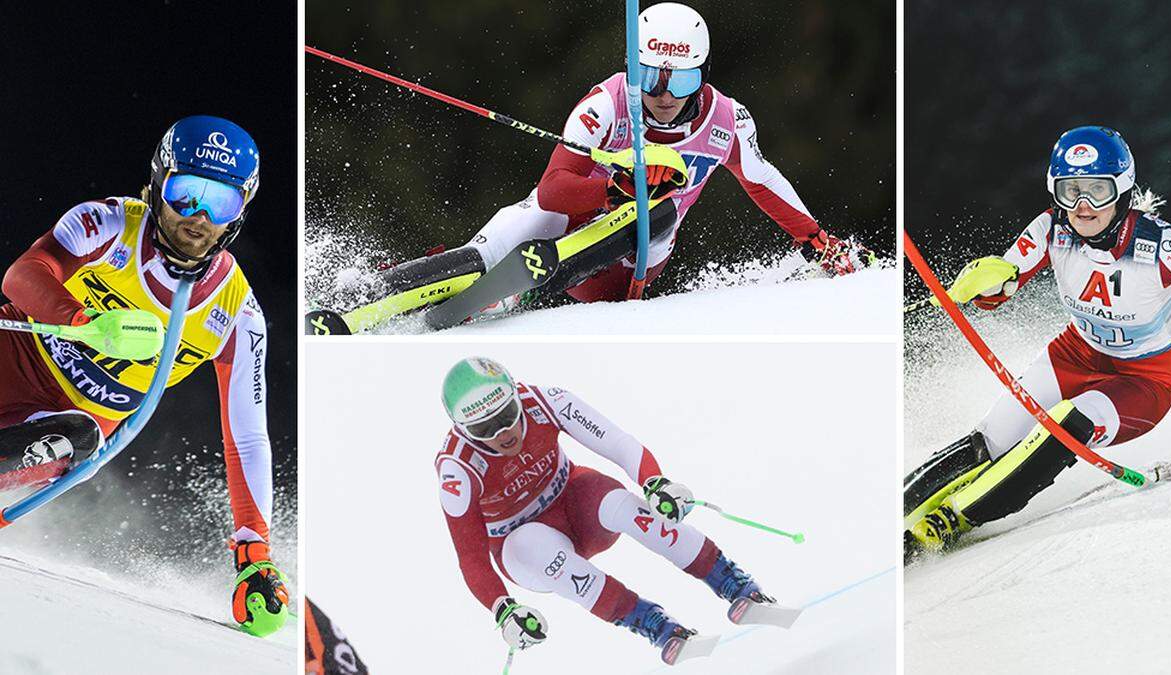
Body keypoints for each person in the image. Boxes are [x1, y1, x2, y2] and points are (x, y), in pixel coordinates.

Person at [310, 2, 870, 333]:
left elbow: (763, 180)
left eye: (680, 81)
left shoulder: (726, 120)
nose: (664, 95)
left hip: (628, 260)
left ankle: (533, 277)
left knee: (659, 207)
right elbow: (553, 192)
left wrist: (818, 241)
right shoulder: (606, 104)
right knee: (484, 253)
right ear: (636, 67)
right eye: (652, 77)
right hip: (566, 223)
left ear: (700, 74)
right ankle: (357, 305)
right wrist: (613, 185)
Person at [0, 115, 289, 635]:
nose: (197, 217)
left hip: (55, 429)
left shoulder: (238, 316)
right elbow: (23, 274)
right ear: (158, 183)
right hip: (9, 358)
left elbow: (246, 437)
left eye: (220, 203)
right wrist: (83, 324)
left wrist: (255, 554)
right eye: (185, 193)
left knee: (78, 437)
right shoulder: (110, 225)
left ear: (240, 211)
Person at [904, 125, 1171, 561]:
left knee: (1067, 424)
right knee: (993, 438)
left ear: (1121, 187)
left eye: (1097, 190)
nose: (1082, 206)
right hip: (1074, 355)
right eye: (1070, 190)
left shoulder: (1163, 246)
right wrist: (987, 282)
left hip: (1144, 381)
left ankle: (955, 519)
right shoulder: (1050, 227)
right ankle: (903, 500)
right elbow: (1002, 284)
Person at [435, 357, 796, 666]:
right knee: (531, 543)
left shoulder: (544, 401)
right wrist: (504, 609)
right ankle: (659, 628)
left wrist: (655, 483)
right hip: (523, 549)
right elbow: (471, 557)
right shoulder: (457, 468)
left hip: (577, 505)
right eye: (484, 429)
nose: (503, 433)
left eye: (507, 415)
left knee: (620, 503)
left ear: (516, 395)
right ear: (462, 430)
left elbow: (618, 442)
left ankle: (737, 586)